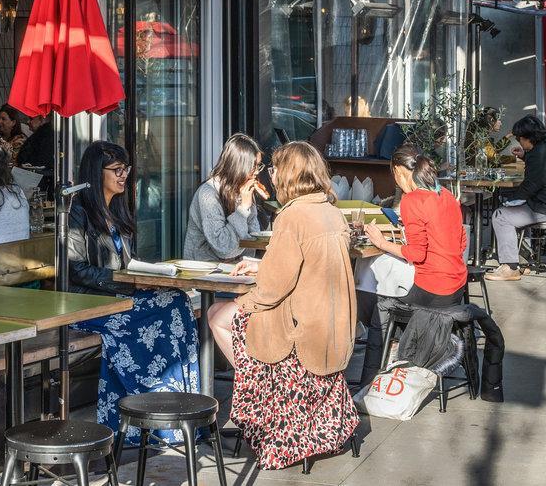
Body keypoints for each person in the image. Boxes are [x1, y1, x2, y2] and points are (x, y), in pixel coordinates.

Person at [208, 141, 358, 470]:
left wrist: (243, 302)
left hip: (299, 332)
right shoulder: (331, 211)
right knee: (229, 316)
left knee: (220, 316)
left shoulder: (292, 216)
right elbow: (311, 266)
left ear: (289, 174)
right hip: (332, 327)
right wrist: (261, 266)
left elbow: (274, 289)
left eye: (276, 169)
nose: (272, 176)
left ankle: (259, 398)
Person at [66, 141, 200, 442]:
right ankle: (155, 407)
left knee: (177, 300)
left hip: (116, 298)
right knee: (166, 308)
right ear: (95, 172)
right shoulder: (78, 212)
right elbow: (76, 270)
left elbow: (126, 263)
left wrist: (142, 277)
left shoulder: (114, 211)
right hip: (88, 305)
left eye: (125, 169)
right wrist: (128, 282)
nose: (123, 175)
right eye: (117, 170)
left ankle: (179, 407)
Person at [359, 148, 468, 384]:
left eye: (394, 174)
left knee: (378, 304)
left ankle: (372, 378)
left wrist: (381, 242)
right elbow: (461, 241)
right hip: (457, 285)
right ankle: (407, 342)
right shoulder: (447, 195)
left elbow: (416, 254)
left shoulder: (412, 200)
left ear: (399, 172)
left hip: (433, 289)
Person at [486, 115, 546, 282]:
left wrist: (506, 200)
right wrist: (524, 156)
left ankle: (510, 267)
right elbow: (543, 168)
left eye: (520, 139)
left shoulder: (538, 153)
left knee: (500, 215)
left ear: (527, 137)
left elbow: (530, 186)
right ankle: (526, 261)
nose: (520, 143)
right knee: (517, 211)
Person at [183, 133, 264, 263]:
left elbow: (253, 236)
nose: (256, 172)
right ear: (239, 166)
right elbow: (224, 248)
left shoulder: (243, 191)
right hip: (205, 272)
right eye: (253, 166)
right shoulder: (208, 194)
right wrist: (243, 208)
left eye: (259, 165)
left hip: (238, 268)